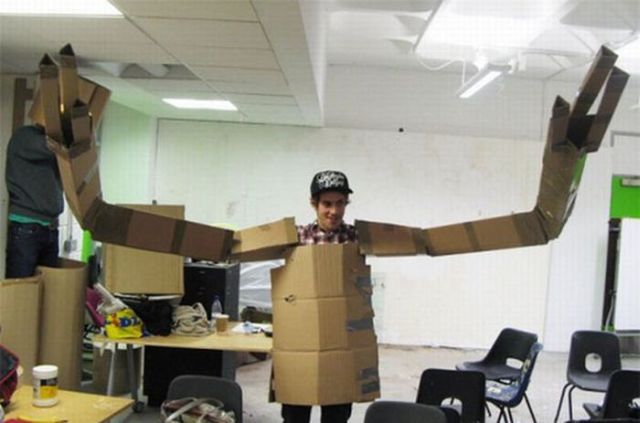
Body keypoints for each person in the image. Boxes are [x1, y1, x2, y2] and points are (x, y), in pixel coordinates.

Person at [281, 169, 357, 423]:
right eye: (327, 204)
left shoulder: (356, 239)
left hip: (341, 339)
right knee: (295, 414)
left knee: (336, 415)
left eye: (340, 203)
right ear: (314, 204)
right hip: (301, 338)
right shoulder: (296, 238)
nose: (334, 211)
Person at [5, 124, 63, 278]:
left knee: (47, 287)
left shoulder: (49, 146)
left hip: (50, 228)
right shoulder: (25, 136)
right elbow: (52, 146)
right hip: (27, 228)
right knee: (21, 288)